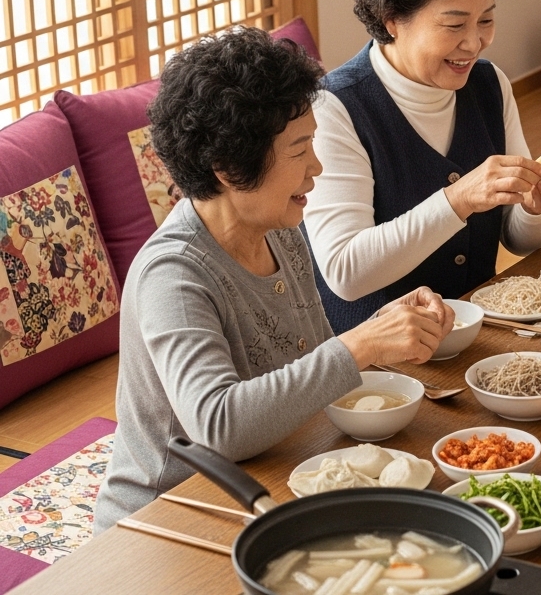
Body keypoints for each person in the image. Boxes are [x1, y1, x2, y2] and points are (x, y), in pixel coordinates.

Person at [96, 28, 452, 534]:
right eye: (299, 150)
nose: (317, 167)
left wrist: (385, 326)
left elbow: (308, 363)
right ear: (228, 168)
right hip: (171, 516)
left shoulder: (280, 229)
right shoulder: (173, 275)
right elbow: (219, 426)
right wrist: (362, 344)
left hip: (267, 479)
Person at [304, 0, 541, 333]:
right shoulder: (334, 107)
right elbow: (345, 271)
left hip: (476, 337)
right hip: (376, 358)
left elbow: (519, 240)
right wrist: (459, 198)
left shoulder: (488, 84)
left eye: (486, 19)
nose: (475, 42)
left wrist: (536, 209)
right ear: (392, 20)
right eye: (453, 25)